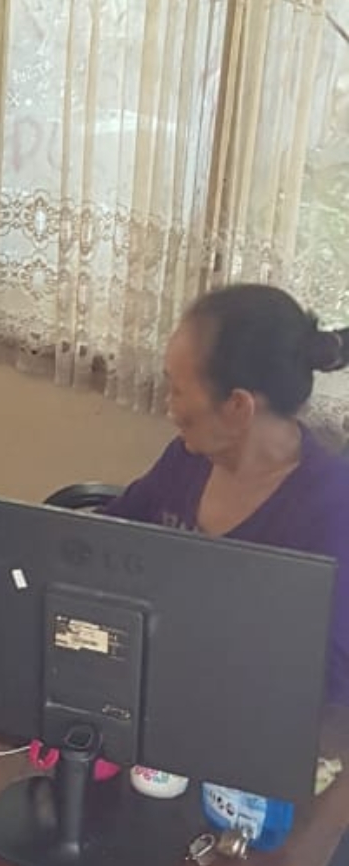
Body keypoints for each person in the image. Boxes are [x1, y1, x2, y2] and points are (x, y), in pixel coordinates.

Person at [107, 283, 349, 702]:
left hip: (248, 714)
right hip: (155, 688)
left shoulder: (331, 507)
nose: (170, 409)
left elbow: (327, 681)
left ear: (238, 407)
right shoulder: (187, 459)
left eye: (178, 390)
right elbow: (109, 537)